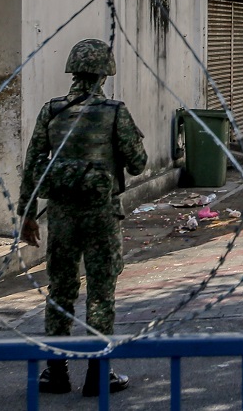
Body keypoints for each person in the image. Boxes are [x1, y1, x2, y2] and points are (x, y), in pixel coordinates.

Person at [18, 39, 148, 396]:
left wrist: (27, 214)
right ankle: (98, 374)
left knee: (60, 290)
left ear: (73, 70)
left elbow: (32, 165)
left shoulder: (52, 111)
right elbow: (138, 163)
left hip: (61, 215)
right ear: (105, 74)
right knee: (101, 293)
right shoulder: (114, 112)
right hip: (101, 215)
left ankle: (55, 372)